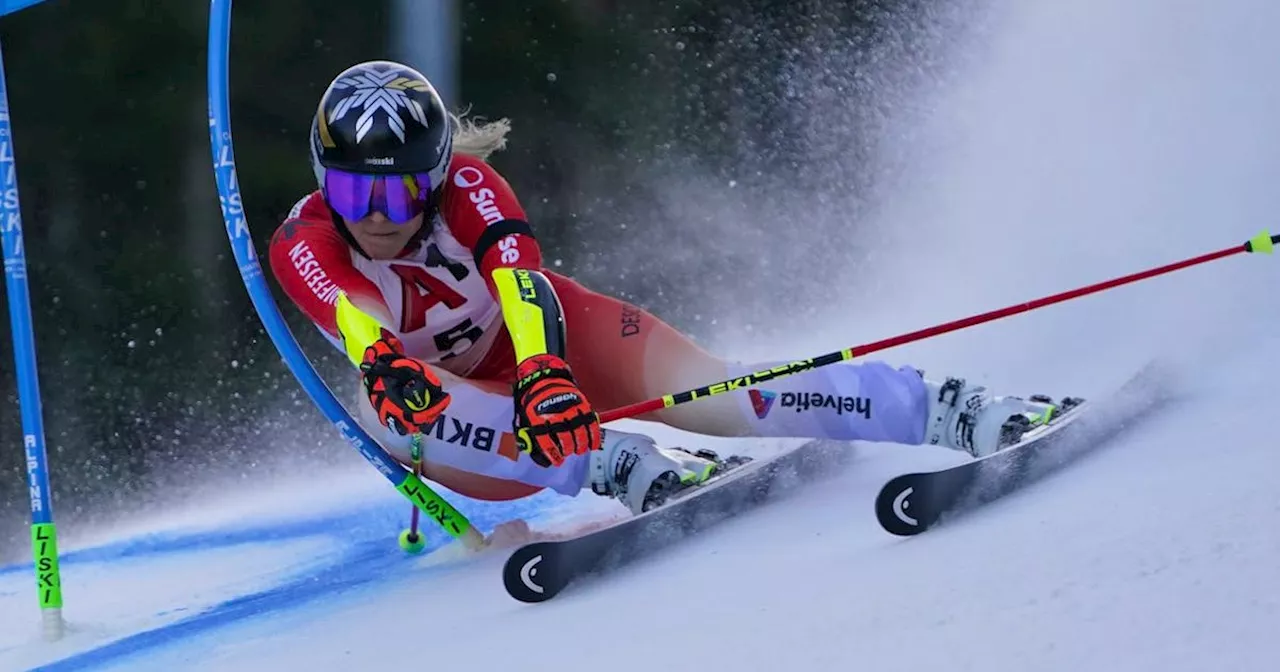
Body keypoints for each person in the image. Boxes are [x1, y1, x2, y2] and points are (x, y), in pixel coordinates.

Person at [267, 60, 1062, 516]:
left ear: (435, 176)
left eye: (400, 193)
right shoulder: (302, 240)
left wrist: (545, 371)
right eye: (352, 193)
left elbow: (520, 280)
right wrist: (381, 361)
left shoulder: (471, 186)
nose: (376, 216)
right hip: (463, 425)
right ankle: (618, 465)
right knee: (394, 407)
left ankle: (946, 408)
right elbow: (352, 310)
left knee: (727, 396)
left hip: (551, 339)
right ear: (320, 181)